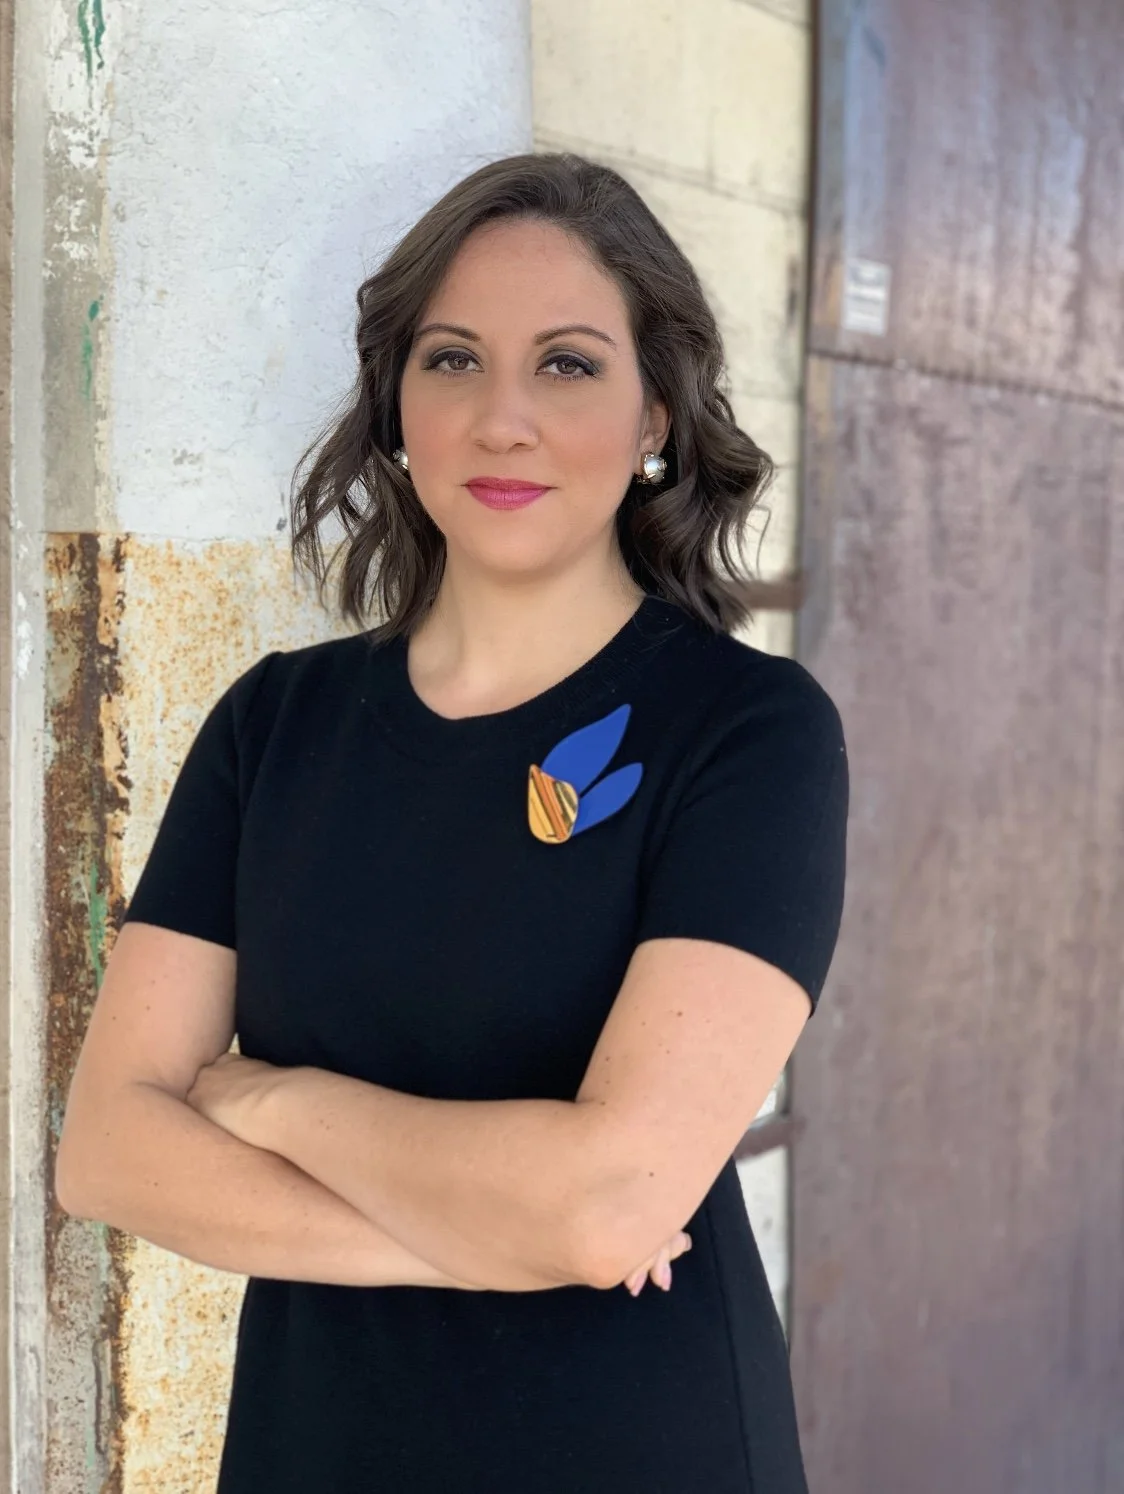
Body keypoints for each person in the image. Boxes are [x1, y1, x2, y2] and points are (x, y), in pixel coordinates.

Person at [56, 151, 849, 1492]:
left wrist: (273, 1097)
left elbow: (616, 1198)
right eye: (453, 360)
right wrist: (499, 1233)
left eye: (567, 364)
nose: (503, 418)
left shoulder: (748, 734)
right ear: (397, 407)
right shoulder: (275, 726)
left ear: (657, 409)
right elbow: (108, 1150)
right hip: (318, 1447)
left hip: (632, 1445)